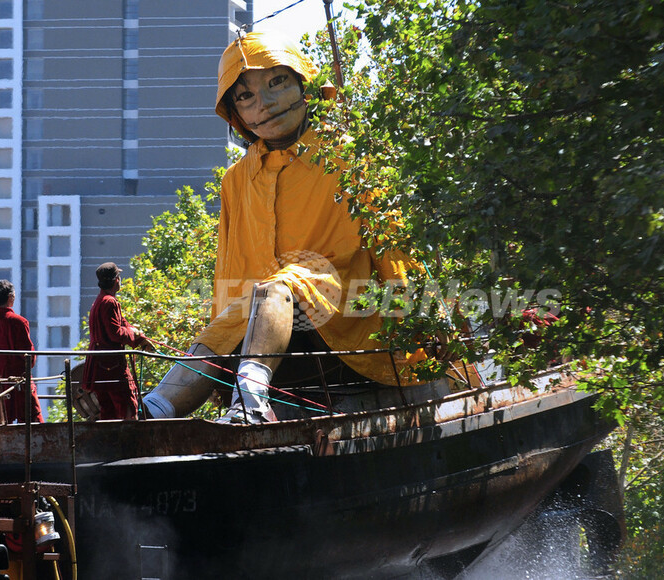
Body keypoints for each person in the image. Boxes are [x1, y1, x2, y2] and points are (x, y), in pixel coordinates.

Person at [143, 31, 434, 424]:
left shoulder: (347, 154)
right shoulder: (236, 180)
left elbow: (394, 249)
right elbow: (229, 268)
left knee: (278, 286)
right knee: (239, 312)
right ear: (236, 114)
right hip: (265, 316)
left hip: (348, 307)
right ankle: (155, 407)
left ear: (304, 83)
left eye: (276, 82)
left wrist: (422, 326)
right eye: (245, 96)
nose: (263, 103)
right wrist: (222, 333)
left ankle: (251, 397)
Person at [82, 262, 153, 420]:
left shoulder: (101, 300)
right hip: (111, 367)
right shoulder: (109, 302)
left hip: (101, 366)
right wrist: (134, 335)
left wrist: (141, 338)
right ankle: (131, 443)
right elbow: (116, 333)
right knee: (128, 408)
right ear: (116, 280)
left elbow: (122, 323)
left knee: (109, 412)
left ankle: (111, 443)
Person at [0, 279, 44, 423]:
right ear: (10, 297)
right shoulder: (19, 321)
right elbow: (28, 355)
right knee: (31, 419)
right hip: (17, 378)